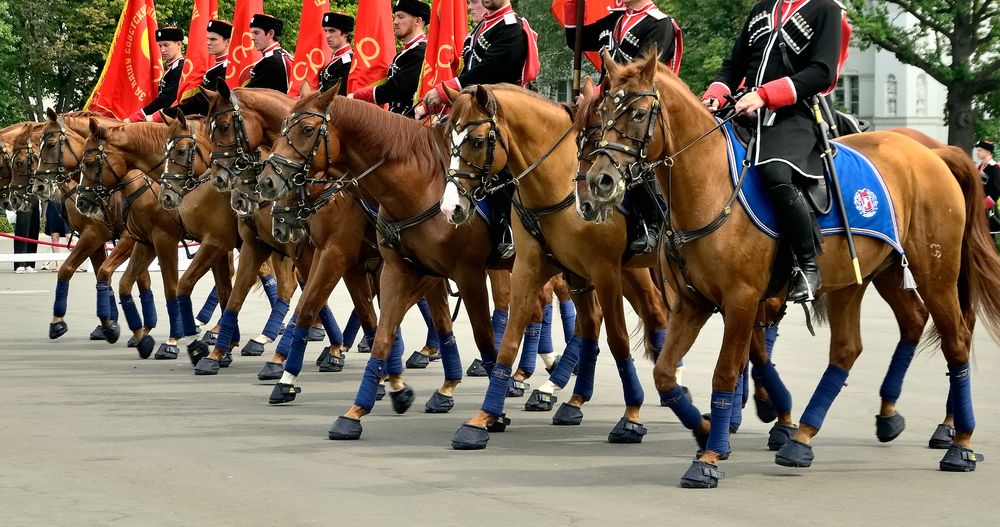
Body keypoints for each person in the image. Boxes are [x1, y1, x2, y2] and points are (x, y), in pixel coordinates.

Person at [702, 0, 851, 303]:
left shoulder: (825, 9)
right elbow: (734, 65)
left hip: (794, 113)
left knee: (775, 171)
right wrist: (716, 96)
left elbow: (822, 72)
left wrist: (766, 95)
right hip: (744, 109)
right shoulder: (762, 8)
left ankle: (807, 266)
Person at [417, 0, 539, 258]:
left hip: (503, 112)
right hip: (477, 110)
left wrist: (444, 88)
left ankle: (507, 229)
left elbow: (491, 71)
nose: (473, 3)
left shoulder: (511, 28)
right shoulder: (482, 29)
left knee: (500, 167)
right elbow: (471, 72)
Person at [558, 0, 681, 254]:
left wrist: (599, 95)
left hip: (644, 110)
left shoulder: (659, 24)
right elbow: (575, 38)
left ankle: (652, 223)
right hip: (612, 107)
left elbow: (637, 76)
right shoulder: (614, 21)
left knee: (632, 151)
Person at [349, 0, 429, 114]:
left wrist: (358, 95)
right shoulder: (407, 51)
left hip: (410, 123)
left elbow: (396, 89)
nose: (395, 22)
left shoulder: (421, 51)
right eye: (395, 17)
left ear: (417, 21)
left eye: (401, 17)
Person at [160, 19, 233, 119]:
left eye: (213, 39)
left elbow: (200, 102)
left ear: (227, 42)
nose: (208, 43)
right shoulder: (215, 68)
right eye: (207, 39)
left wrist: (164, 113)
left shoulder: (228, 69)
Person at [127, 27, 185, 122]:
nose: (162, 50)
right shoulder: (172, 68)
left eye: (166, 45)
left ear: (179, 44)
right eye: (160, 46)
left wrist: (136, 117)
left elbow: (165, 100)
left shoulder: (180, 68)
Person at [246, 14, 295, 93]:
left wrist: (235, 106)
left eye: (256, 33)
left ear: (271, 33)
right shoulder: (282, 55)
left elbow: (248, 96)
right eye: (252, 33)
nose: (252, 37)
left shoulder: (271, 62)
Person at [319, 12, 354, 95]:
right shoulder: (337, 59)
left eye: (332, 31)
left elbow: (335, 97)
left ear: (345, 33)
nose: (327, 36)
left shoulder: (348, 62)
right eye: (326, 31)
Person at [13, 195, 39, 273]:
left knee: (33, 232)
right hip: (23, 197)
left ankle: (29, 264)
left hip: (35, 198)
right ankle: (20, 264)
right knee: (22, 232)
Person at [42, 200, 68, 272]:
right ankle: (58, 264)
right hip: (52, 205)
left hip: (66, 204)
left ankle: (75, 264)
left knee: (69, 236)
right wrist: (44, 214)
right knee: (55, 236)